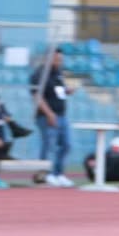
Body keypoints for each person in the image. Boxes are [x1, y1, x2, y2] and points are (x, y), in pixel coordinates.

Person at [31, 48, 74, 187]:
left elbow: (58, 91)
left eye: (60, 59)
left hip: (62, 115)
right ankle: (45, 174)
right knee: (49, 145)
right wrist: (49, 113)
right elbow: (37, 96)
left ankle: (58, 173)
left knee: (66, 144)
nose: (59, 62)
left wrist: (67, 91)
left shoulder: (58, 73)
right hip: (47, 116)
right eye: (56, 59)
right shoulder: (40, 74)